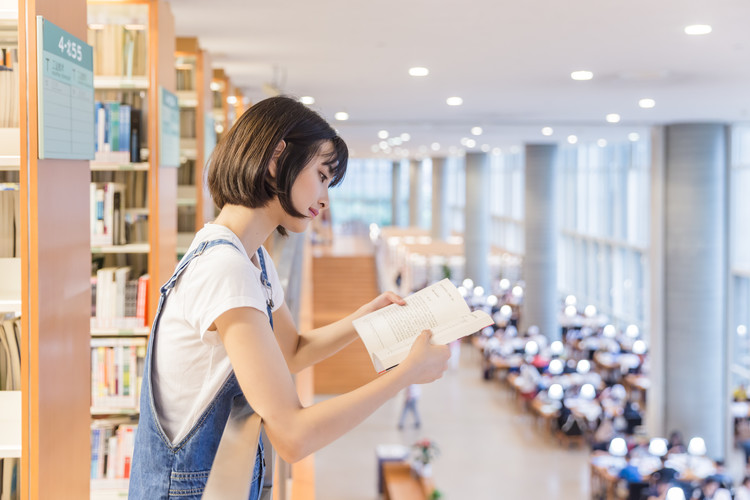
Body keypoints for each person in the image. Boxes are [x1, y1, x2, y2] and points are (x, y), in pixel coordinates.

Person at [128, 96, 451, 499]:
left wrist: (364, 319)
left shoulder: (249, 256)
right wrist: (406, 374)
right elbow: (293, 437)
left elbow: (292, 350)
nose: (324, 199)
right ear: (277, 158)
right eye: (321, 175)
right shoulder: (226, 269)